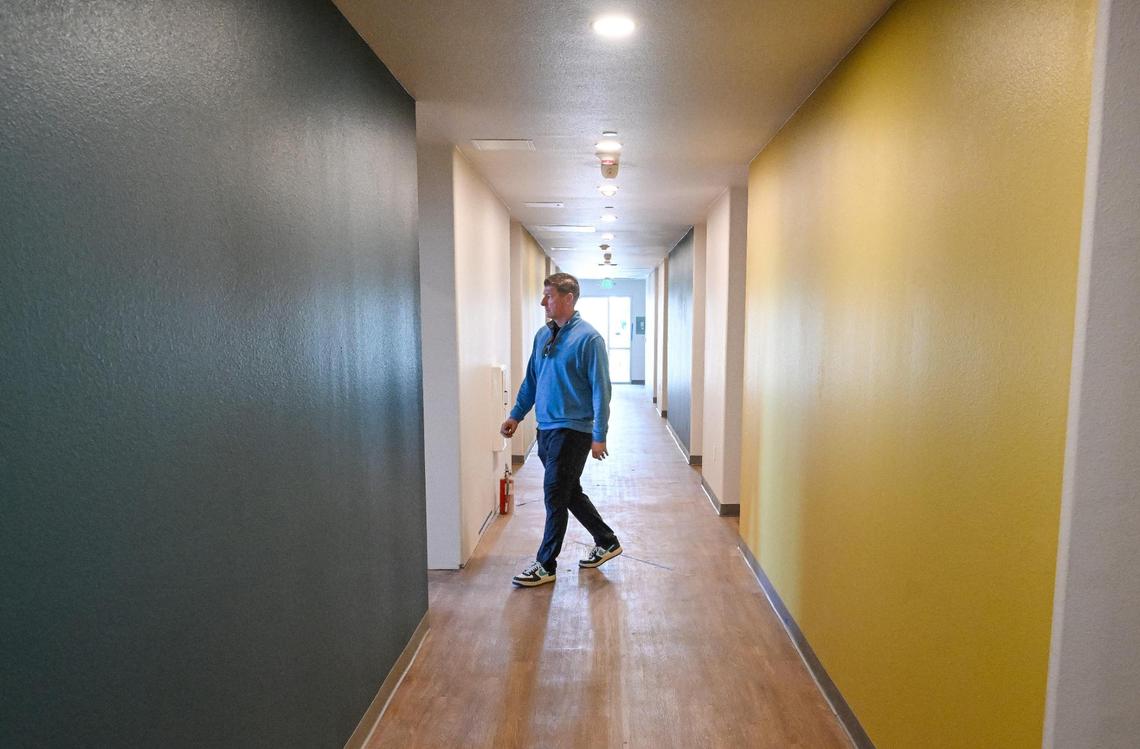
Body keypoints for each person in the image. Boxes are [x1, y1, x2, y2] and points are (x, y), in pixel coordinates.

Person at [500, 272, 622, 587]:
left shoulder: (589, 339)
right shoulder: (543, 335)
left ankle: (546, 564)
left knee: (554, 494)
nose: (543, 302)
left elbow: (601, 389)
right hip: (547, 430)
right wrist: (516, 415)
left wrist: (599, 434)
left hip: (574, 431)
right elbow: (532, 379)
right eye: (544, 296)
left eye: (549, 296)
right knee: (568, 491)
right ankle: (606, 540)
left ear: (568, 298)